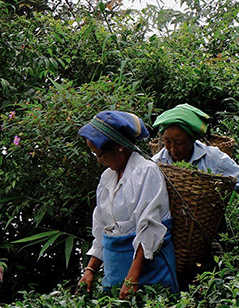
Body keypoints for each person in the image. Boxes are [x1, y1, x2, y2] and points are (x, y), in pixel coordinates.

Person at [76, 110, 180, 297]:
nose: (99, 160)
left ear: (119, 147)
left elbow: (149, 229)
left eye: (99, 154)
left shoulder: (146, 173)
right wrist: (90, 270)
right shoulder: (107, 178)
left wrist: (132, 278)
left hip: (148, 274)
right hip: (116, 277)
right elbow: (102, 228)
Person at [151, 103, 239, 202]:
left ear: (192, 140)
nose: (173, 149)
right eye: (168, 142)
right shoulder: (157, 162)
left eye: (179, 143)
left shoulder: (212, 157)